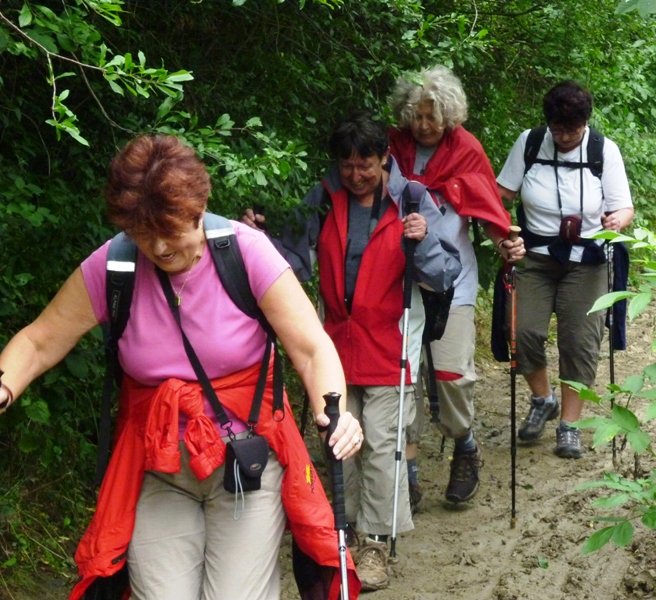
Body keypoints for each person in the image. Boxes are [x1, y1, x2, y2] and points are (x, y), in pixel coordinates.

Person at [0, 134, 363, 599]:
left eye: (168, 230)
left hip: (243, 462)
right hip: (160, 468)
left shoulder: (245, 253)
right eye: (141, 232)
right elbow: (38, 341)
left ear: (198, 208)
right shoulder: (116, 266)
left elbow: (312, 348)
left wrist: (334, 413)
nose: (157, 247)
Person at [244, 113, 461, 591]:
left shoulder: (413, 200)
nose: (357, 175)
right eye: (348, 166)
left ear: (384, 157)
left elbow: (445, 274)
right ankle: (342, 536)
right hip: (334, 349)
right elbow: (292, 264)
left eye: (365, 165)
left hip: (392, 343)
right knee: (341, 447)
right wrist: (256, 243)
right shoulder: (323, 199)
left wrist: (422, 240)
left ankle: (376, 544)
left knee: (382, 446)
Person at [387, 65, 511, 507]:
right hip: (396, 282)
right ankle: (411, 468)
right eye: (416, 116)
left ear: (449, 115)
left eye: (432, 117)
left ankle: (465, 444)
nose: (423, 125)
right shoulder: (391, 147)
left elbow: (487, 208)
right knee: (401, 377)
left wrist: (505, 242)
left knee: (452, 375)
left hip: (453, 280)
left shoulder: (467, 150)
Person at [496, 80, 634, 459]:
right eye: (557, 129)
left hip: (586, 261)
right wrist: (503, 235)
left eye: (571, 130)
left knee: (579, 341)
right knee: (521, 332)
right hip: (535, 257)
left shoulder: (603, 150)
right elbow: (499, 195)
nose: (563, 136)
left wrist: (616, 222)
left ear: (585, 123)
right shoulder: (529, 143)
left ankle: (569, 425)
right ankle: (543, 399)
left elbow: (624, 207)